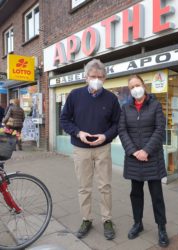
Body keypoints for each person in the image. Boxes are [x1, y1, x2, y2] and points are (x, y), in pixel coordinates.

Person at [60, 59, 121, 240]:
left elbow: (118, 123)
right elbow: (64, 120)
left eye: (100, 77)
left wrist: (106, 136)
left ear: (105, 78)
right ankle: (86, 219)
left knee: (105, 186)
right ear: (86, 77)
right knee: (84, 187)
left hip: (103, 148)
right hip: (81, 149)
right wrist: (78, 133)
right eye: (93, 76)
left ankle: (107, 219)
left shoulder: (111, 99)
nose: (96, 79)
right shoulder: (74, 95)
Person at [118, 75, 169, 248]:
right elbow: (122, 130)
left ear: (144, 86)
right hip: (134, 159)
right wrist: (134, 151)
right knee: (136, 194)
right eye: (131, 87)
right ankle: (137, 223)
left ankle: (162, 228)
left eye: (137, 85)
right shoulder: (125, 108)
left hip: (152, 158)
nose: (135, 89)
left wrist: (146, 150)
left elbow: (159, 129)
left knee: (157, 196)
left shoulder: (155, 105)